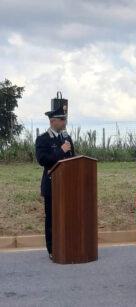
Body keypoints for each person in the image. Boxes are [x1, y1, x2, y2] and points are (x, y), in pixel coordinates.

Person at [35, 95, 75, 259]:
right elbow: (43, 160)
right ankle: (52, 250)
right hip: (52, 185)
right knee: (51, 219)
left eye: (64, 119)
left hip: (68, 185)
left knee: (68, 216)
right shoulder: (43, 139)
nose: (64, 123)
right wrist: (61, 151)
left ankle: (67, 245)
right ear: (53, 121)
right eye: (61, 120)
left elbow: (73, 159)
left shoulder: (66, 138)